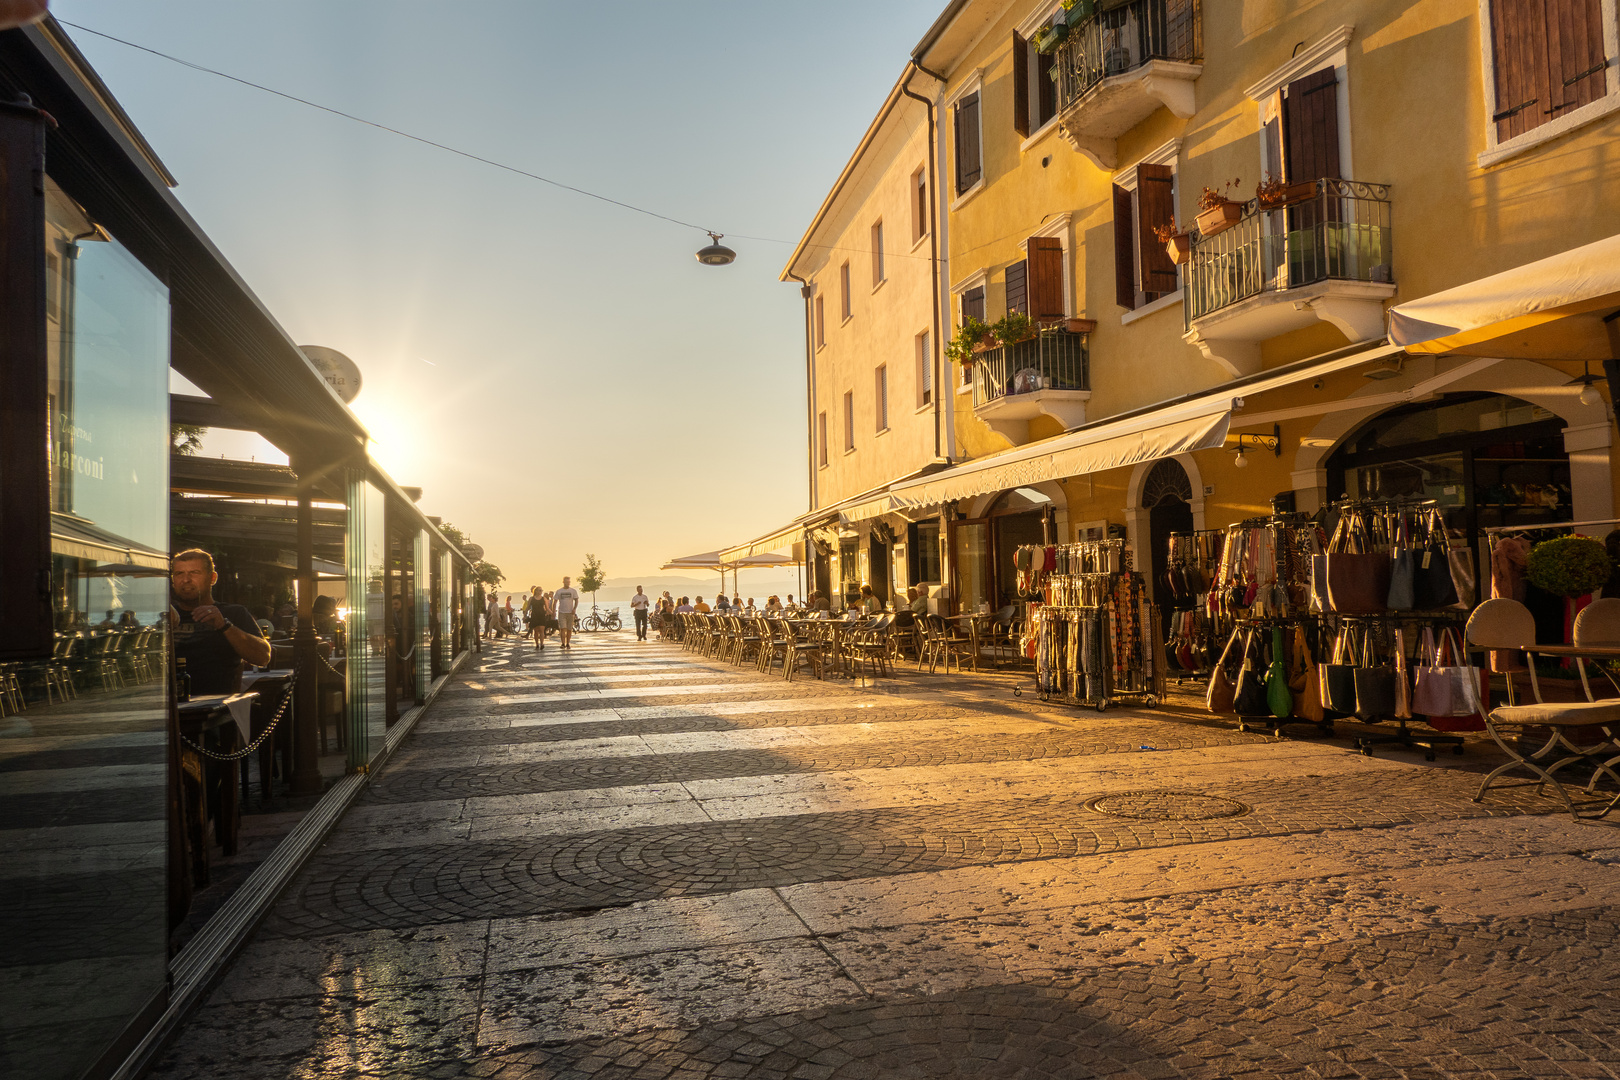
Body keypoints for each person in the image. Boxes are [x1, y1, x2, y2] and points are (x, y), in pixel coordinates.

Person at [169, 548, 271, 694]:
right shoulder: (165, 616)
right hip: (169, 707)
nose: (186, 580)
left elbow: (263, 657)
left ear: (213, 578)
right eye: (179, 574)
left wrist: (224, 625)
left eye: (194, 573)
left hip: (216, 708)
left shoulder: (234, 613)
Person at [553, 576, 581, 649]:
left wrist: (574, 609)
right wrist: (554, 611)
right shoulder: (559, 591)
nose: (567, 583)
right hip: (562, 612)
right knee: (563, 628)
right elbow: (555, 601)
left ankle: (568, 643)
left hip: (570, 612)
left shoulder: (573, 591)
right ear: (563, 582)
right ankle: (563, 643)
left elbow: (576, 600)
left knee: (569, 629)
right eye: (566, 582)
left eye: (569, 582)